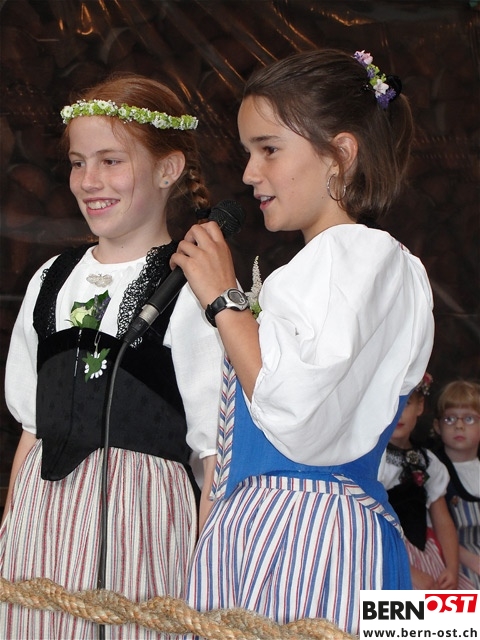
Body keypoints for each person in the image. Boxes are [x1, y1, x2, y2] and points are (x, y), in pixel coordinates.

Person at [170, 48, 435, 635]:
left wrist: (225, 300)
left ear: (340, 154)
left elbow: (295, 407)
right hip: (271, 529)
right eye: (248, 152)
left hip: (306, 540)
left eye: (269, 149)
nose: (249, 173)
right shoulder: (331, 266)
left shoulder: (356, 256)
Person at [0, 74, 224, 639]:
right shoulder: (51, 279)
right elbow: (31, 427)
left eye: (110, 161)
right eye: (78, 163)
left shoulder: (191, 286)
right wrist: (9, 530)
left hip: (140, 526)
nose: (89, 181)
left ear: (168, 169)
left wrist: (207, 576)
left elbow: (213, 454)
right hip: (40, 526)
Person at [379, 373, 474, 589]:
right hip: (389, 554)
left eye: (406, 404)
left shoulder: (429, 462)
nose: (397, 413)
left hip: (425, 552)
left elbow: (443, 520)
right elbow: (370, 525)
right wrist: (408, 571)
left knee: (457, 602)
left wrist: (452, 568)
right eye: (389, 404)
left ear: (420, 406)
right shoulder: (375, 463)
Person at [433, 380, 480, 589]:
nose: (459, 426)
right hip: (452, 560)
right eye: (450, 418)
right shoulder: (433, 470)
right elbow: (433, 529)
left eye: (469, 419)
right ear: (437, 426)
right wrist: (472, 561)